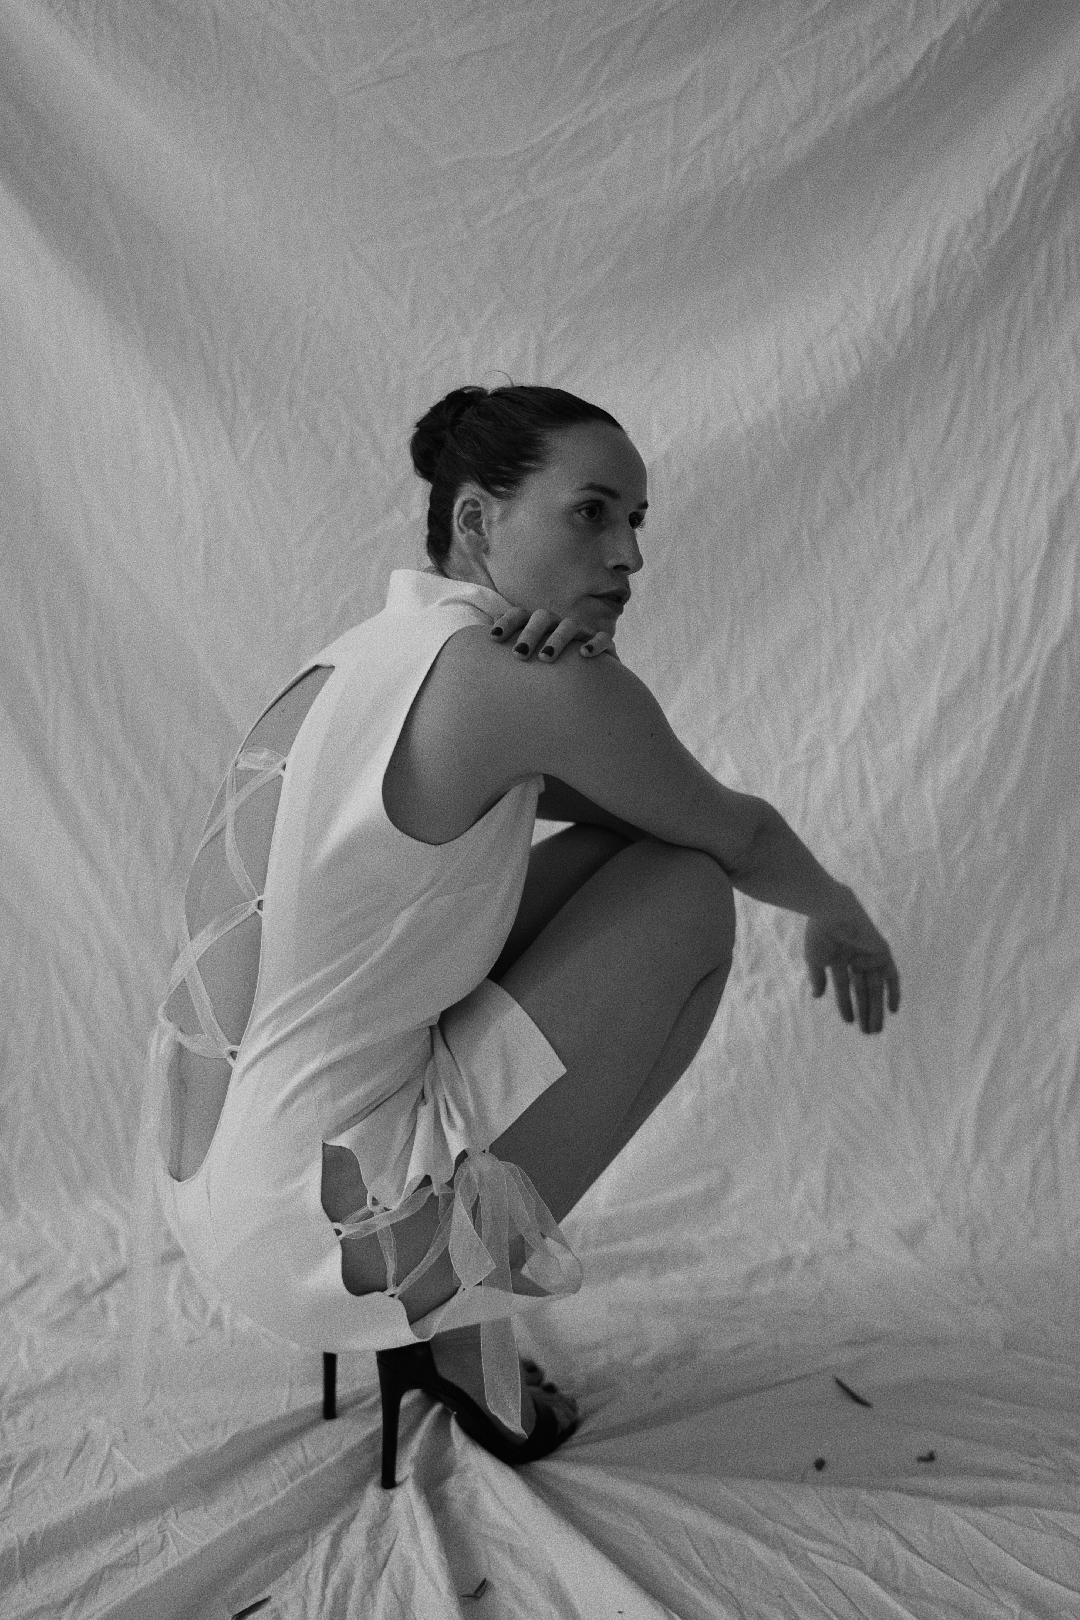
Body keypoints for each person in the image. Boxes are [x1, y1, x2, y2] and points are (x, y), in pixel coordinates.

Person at [142, 382, 900, 1487]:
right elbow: (727, 833)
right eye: (591, 513)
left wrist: (592, 681)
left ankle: (447, 1300)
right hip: (326, 1229)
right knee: (690, 897)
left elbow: (637, 814)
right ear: (476, 522)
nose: (629, 554)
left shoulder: (363, 662)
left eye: (636, 520)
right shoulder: (522, 685)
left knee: (629, 864)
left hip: (221, 1188)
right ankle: (460, 1317)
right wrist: (840, 911)